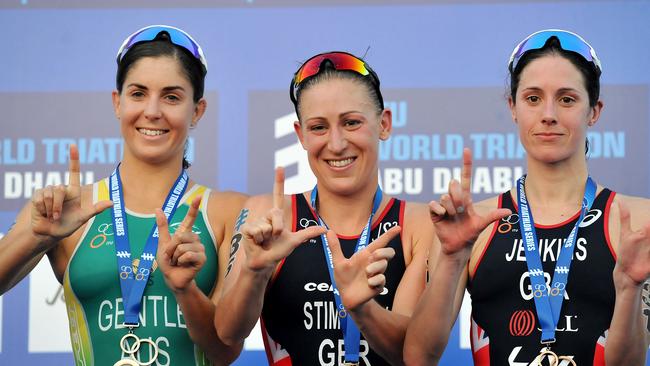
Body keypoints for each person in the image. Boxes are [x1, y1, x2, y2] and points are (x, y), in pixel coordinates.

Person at [0, 25, 246, 366]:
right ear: (118, 102)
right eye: (138, 93)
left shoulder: (227, 212)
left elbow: (225, 350)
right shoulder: (66, 209)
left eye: (172, 97)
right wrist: (37, 237)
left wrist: (185, 289)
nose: (153, 111)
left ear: (198, 111)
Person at [403, 29, 650, 366]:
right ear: (513, 107)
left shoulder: (637, 221)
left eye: (567, 99)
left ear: (594, 111)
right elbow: (418, 356)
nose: (548, 114)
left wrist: (629, 290)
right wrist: (450, 257)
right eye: (533, 98)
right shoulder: (477, 224)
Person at [213, 51, 434, 366]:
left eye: (351, 122)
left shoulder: (418, 224)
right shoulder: (268, 214)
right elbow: (226, 334)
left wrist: (363, 308)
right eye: (318, 127)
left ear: (384, 124)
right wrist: (254, 271)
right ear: (301, 135)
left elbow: (416, 354)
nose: (337, 143)